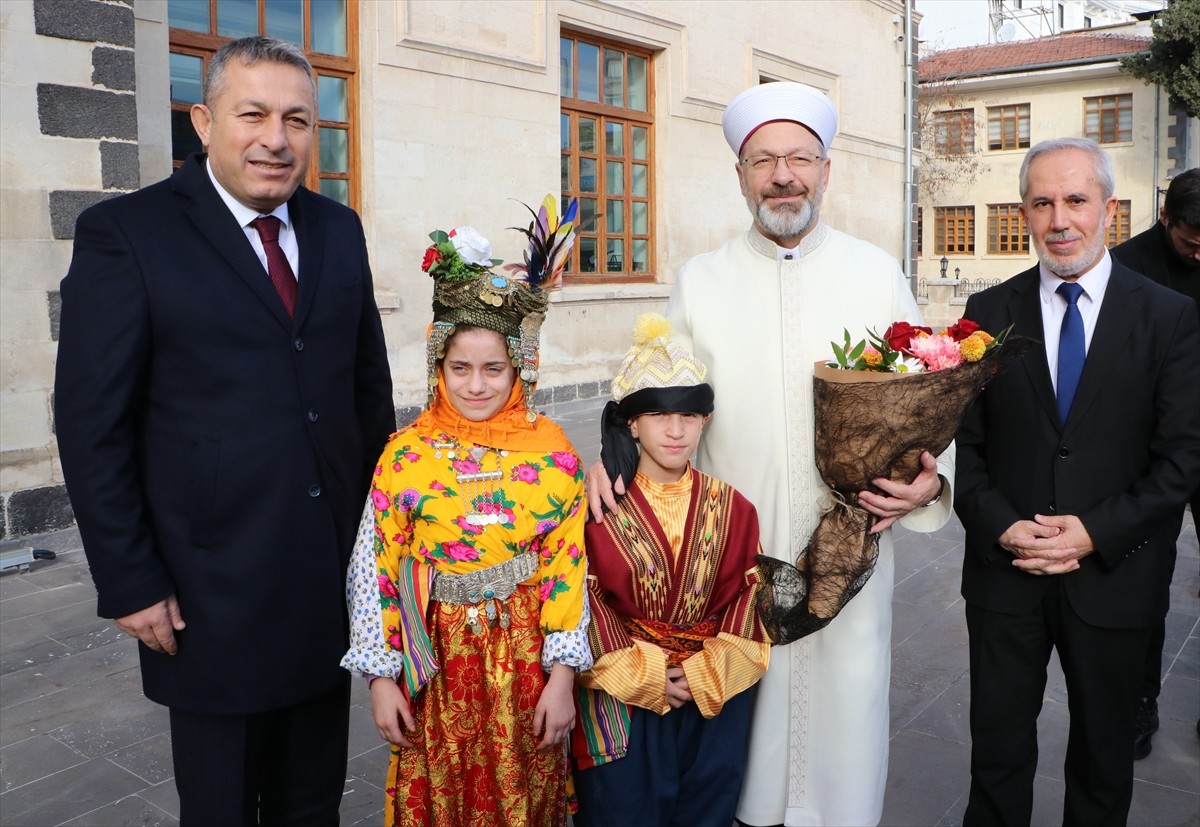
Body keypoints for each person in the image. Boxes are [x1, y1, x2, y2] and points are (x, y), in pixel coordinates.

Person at [587, 82, 955, 827]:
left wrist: (929, 482)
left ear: (826, 170)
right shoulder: (701, 280)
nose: (783, 176)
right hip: (730, 562)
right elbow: (654, 389)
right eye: (763, 161)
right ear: (741, 175)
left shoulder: (875, 273)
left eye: (799, 159)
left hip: (849, 554)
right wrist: (611, 453)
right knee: (743, 739)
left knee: (847, 714)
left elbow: (928, 402)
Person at [53, 36, 395, 825]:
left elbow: (366, 394)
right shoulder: (127, 234)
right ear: (204, 122)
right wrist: (130, 579)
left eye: (297, 120)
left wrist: (384, 542)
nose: (277, 139)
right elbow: (91, 422)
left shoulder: (338, 229)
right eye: (254, 115)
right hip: (208, 589)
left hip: (325, 579)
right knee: (223, 807)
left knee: (313, 802)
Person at [955, 138, 1200, 827]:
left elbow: (1183, 459)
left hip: (1116, 577)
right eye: (1042, 203)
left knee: (1103, 762)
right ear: (1024, 213)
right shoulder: (987, 312)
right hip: (1006, 577)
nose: (1059, 219)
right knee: (996, 757)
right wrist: (1002, 524)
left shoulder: (1168, 316)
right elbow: (962, 450)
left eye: (1075, 200)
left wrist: (1094, 532)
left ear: (1109, 209)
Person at [341, 213, 591, 827]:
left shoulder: (553, 455)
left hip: (525, 664)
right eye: (460, 368)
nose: (475, 386)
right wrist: (380, 678)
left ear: (519, 369)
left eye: (493, 369)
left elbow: (567, 568)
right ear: (438, 366)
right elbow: (374, 568)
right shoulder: (405, 456)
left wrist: (563, 677)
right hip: (435, 666)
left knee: (521, 793)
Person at [570, 314, 771, 827]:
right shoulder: (596, 509)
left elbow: (749, 601)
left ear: (706, 420)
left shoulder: (735, 508)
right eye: (658, 414)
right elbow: (581, 600)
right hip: (622, 699)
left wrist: (702, 673)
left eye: (689, 415)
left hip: (710, 698)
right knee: (622, 813)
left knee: (705, 813)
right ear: (631, 423)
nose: (676, 430)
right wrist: (648, 676)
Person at [1111, 167, 1200, 759]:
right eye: (1192, 243)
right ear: (1165, 218)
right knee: (1147, 583)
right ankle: (1140, 702)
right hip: (1153, 453)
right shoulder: (1125, 268)